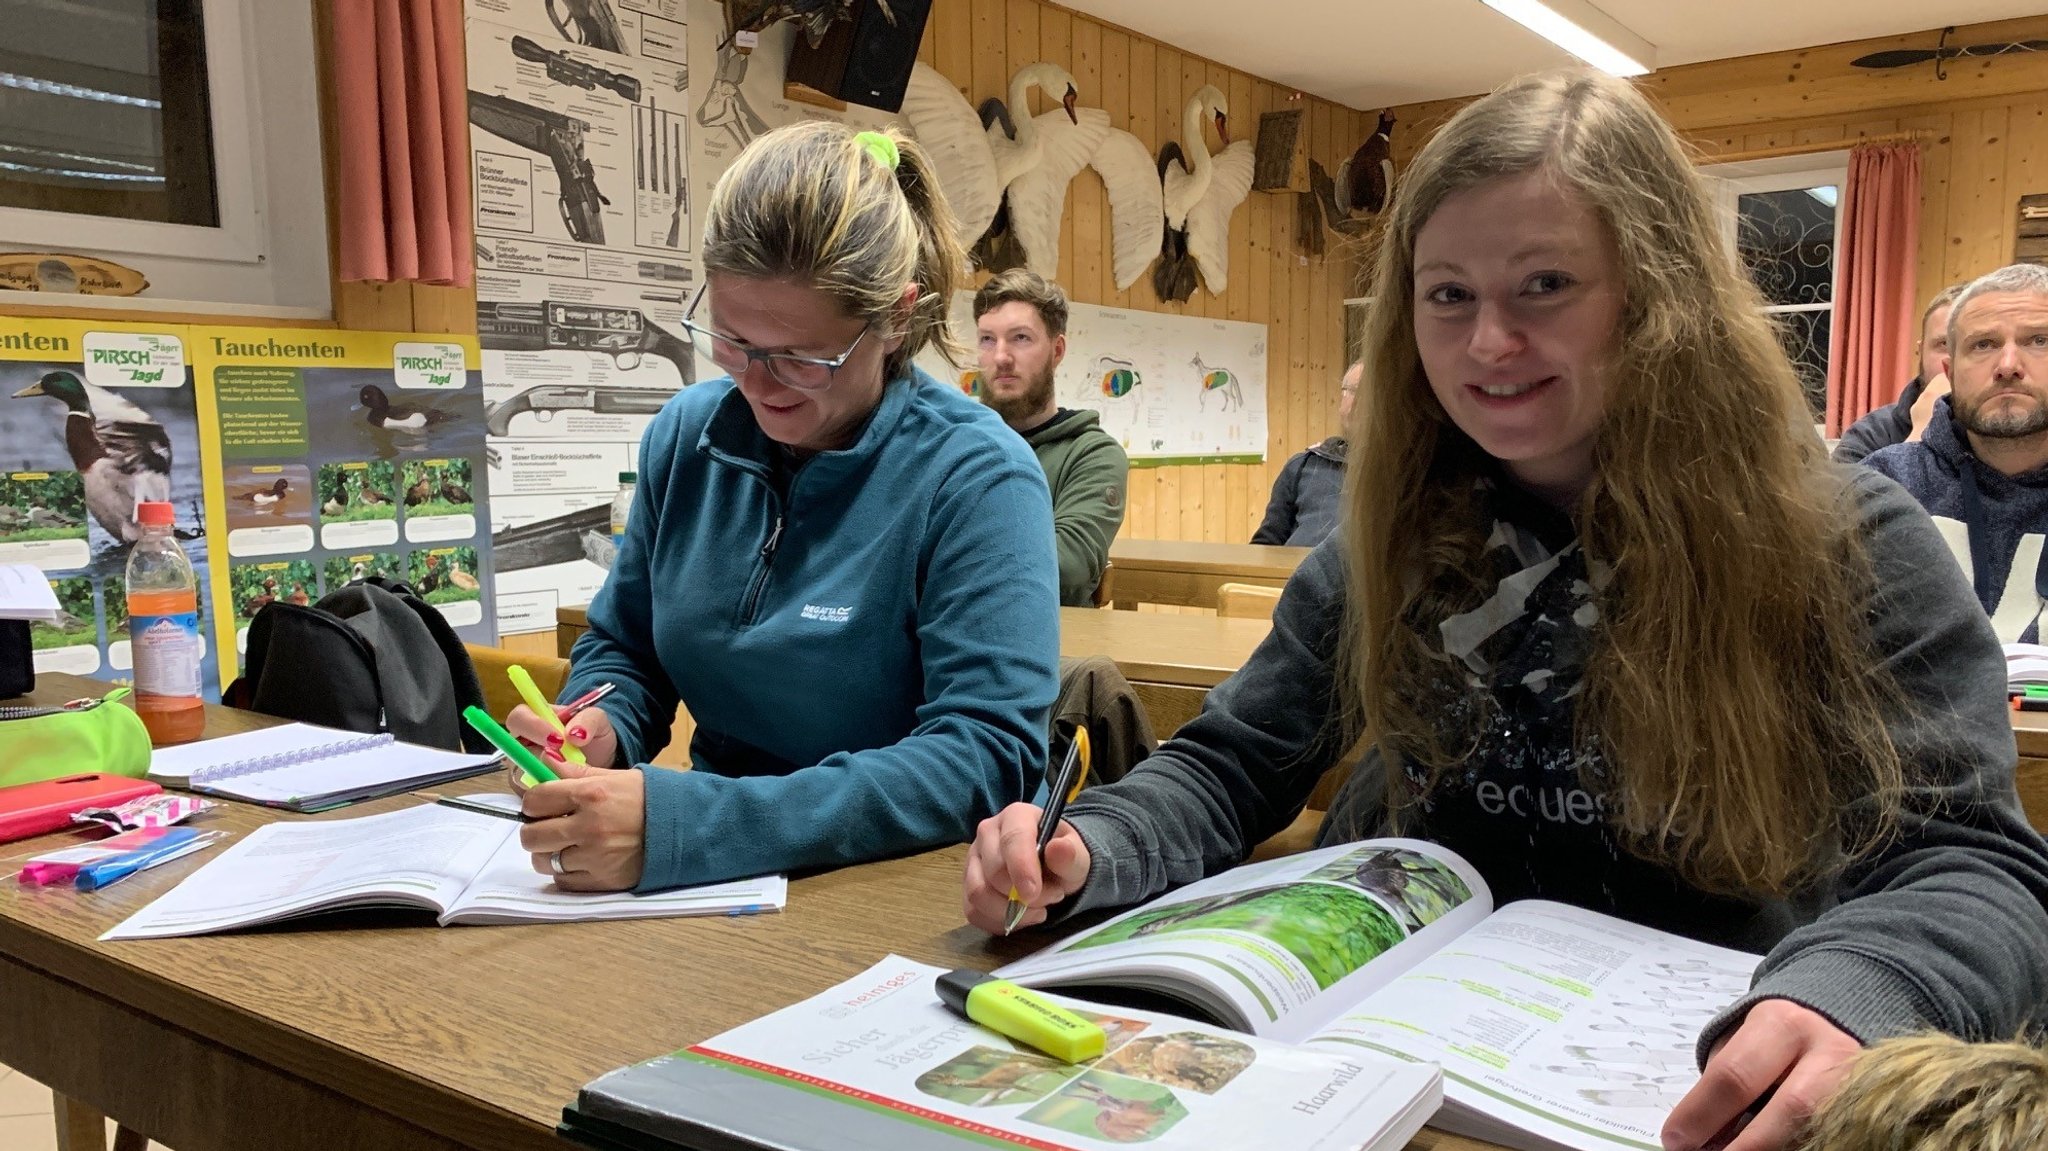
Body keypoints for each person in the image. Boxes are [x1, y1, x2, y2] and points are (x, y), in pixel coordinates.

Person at [962, 71, 2048, 1151]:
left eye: (1543, 285)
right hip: (1368, 1072)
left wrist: (1865, 985)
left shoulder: (1845, 538)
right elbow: (1232, 760)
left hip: (1685, 1087)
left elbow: (1976, 865)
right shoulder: (1392, 528)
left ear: (1655, 296)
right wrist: (1093, 839)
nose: (1486, 343)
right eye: (1447, 295)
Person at [510, 122, 1061, 894]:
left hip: (897, 887)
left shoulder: (976, 476)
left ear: (896, 318)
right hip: (704, 888)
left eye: (803, 357)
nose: (760, 384)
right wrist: (596, 724)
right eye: (732, 341)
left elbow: (983, 755)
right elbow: (626, 646)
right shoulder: (687, 435)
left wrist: (695, 823)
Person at [1865, 264, 2048, 642]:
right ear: (1949, 371)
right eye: (1983, 345)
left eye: (2039, 340)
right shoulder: (1883, 487)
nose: (2008, 366)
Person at [973, 269, 1129, 605]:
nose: (1001, 357)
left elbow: (1068, 568)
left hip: (1047, 645)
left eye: (1020, 338)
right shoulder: (955, 443)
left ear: (1056, 351)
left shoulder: (1091, 454)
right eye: (988, 339)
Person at [1832, 284, 1964, 464]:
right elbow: (1844, 492)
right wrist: (1921, 435)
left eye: (1978, 346)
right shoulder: (1871, 435)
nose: (1954, 362)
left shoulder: (2006, 432)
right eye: (1944, 344)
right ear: (1920, 351)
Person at [1251, 362, 1358, 546]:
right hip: (1295, 573)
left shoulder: (1411, 475)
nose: (1359, 402)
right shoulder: (1303, 465)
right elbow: (1266, 544)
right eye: (1354, 390)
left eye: (1371, 392)